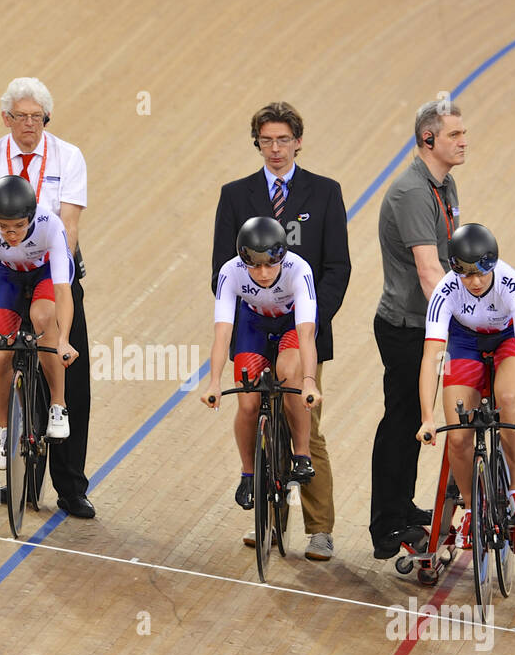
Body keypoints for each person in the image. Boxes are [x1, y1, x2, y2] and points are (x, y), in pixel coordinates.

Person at [210, 101, 350, 561]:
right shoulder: (235, 195)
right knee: (253, 405)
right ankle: (268, 517)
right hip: (253, 318)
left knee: (304, 418)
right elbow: (221, 269)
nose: (275, 149)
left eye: (283, 140)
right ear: (258, 144)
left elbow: (337, 266)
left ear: (298, 141)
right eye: (267, 140)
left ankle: (319, 529)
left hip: (304, 324)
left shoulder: (325, 192)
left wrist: (307, 316)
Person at [0, 78, 93, 518]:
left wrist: (58, 269)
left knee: (67, 366)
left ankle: (71, 486)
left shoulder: (68, 156)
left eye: (37, 117)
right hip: (5, 265)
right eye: (20, 116)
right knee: (3, 354)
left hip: (54, 267)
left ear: (46, 119)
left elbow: (70, 222)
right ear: (6, 119)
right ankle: (20, 478)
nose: (29, 124)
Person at [371, 99, 467, 559]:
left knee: (410, 419)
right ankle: (386, 522)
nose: (464, 141)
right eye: (454, 135)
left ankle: (402, 506)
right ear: (428, 139)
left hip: (422, 321)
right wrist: (462, 320)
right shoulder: (412, 192)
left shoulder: (442, 185)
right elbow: (430, 271)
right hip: (408, 325)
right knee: (402, 420)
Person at [416, 223, 515, 547]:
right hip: (465, 341)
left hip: (507, 339)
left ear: (493, 265)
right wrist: (427, 417)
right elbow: (432, 357)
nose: (473, 282)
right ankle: (471, 507)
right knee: (457, 435)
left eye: (481, 274)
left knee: (509, 397)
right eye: (465, 275)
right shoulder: (446, 291)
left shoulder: (513, 286)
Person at [200, 217, 322, 509]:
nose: (264, 273)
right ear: (244, 260)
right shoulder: (230, 272)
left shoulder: (299, 269)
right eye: (255, 266)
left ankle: (302, 455)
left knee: (288, 372)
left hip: (291, 324)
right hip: (253, 326)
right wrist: (214, 382)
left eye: (271, 264)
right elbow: (222, 333)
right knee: (248, 403)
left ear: (283, 256)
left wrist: (309, 382)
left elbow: (306, 333)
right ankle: (248, 473)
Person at [0, 176, 77, 460]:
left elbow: (62, 290)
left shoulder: (51, 224)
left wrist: (63, 340)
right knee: (0, 355)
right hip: (6, 273)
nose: (12, 235)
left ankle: (57, 405)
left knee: (42, 315)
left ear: (31, 217)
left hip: (46, 270)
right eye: (4, 228)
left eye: (19, 227)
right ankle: (4, 428)